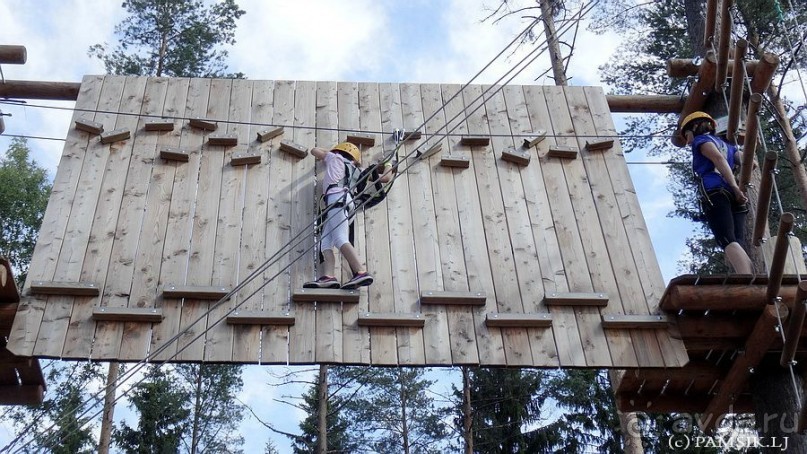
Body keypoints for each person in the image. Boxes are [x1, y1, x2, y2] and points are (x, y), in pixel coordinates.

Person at [303, 141, 392, 290]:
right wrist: (389, 164)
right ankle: (329, 277)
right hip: (346, 203)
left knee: (339, 239)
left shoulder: (335, 158)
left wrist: (332, 151)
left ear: (339, 152)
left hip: (336, 199)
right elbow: (385, 179)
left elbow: (314, 150)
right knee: (325, 243)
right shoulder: (358, 170)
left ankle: (360, 272)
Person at [681, 111, 753, 274]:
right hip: (733, 196)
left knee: (726, 239)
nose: (687, 140)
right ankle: (750, 275)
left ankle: (746, 279)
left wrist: (734, 186)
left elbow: (718, 159)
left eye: (687, 134)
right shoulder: (728, 146)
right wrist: (736, 186)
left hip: (716, 190)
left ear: (694, 127)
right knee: (737, 241)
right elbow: (751, 163)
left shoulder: (701, 141)